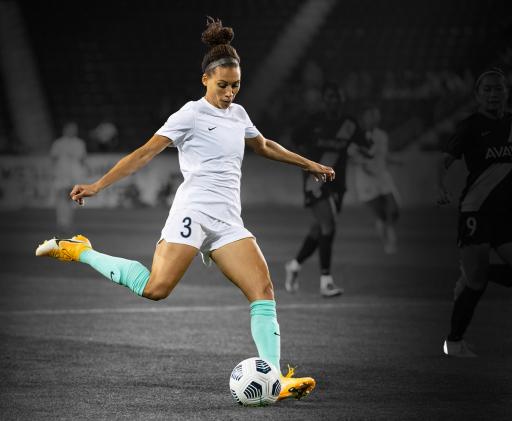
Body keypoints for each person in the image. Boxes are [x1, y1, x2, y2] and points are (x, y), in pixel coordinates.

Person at [36, 17, 335, 401]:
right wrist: (97, 185)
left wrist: (308, 163)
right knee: (155, 288)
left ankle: (276, 379)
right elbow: (144, 154)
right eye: (223, 85)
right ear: (206, 80)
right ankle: (81, 250)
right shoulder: (189, 115)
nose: (230, 92)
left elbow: (264, 146)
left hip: (228, 221)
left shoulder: (239, 115)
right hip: (192, 212)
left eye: (236, 85)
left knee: (263, 291)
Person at [438, 68, 512, 357]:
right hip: (476, 211)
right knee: (476, 282)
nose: (494, 94)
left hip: (506, 213)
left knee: (478, 276)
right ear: (478, 95)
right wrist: (440, 186)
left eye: (498, 88)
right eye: (487, 89)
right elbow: (444, 161)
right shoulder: (470, 126)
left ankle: (477, 272)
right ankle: (454, 343)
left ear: (506, 92)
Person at [283, 82, 369, 296]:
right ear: (324, 100)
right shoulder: (314, 121)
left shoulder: (349, 124)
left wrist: (362, 151)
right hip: (315, 181)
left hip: (337, 184)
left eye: (337, 96)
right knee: (328, 225)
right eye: (330, 96)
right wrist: (304, 162)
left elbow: (365, 146)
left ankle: (294, 265)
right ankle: (326, 282)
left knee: (319, 229)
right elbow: (292, 140)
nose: (334, 100)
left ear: (342, 100)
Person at [350, 104, 400, 254]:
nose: (374, 118)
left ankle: (390, 234)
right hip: (366, 180)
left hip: (382, 176)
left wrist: (395, 161)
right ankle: (386, 240)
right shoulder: (356, 137)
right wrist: (362, 163)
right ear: (364, 118)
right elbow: (352, 157)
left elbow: (383, 155)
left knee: (394, 209)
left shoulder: (382, 135)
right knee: (381, 214)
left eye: (376, 115)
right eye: (370, 115)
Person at [50, 121, 87, 233]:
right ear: (65, 130)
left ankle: (68, 223)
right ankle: (62, 222)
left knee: (71, 199)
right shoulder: (58, 143)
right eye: (70, 129)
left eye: (74, 129)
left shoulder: (79, 143)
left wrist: (81, 173)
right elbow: (53, 158)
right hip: (62, 175)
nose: (72, 131)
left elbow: (82, 159)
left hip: (75, 175)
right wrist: (56, 172)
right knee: (61, 198)